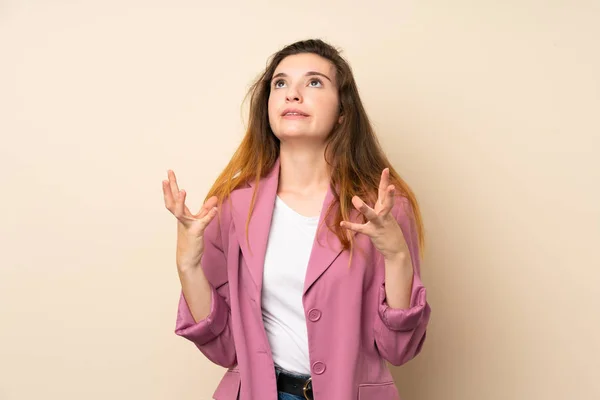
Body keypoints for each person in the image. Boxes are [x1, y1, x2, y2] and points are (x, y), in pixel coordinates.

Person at [162, 38, 431, 400]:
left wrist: (398, 257)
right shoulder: (232, 207)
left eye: (314, 82)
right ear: (268, 106)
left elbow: (400, 350)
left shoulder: (382, 208)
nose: (293, 94)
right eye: (281, 83)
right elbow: (223, 349)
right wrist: (188, 267)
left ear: (343, 112)